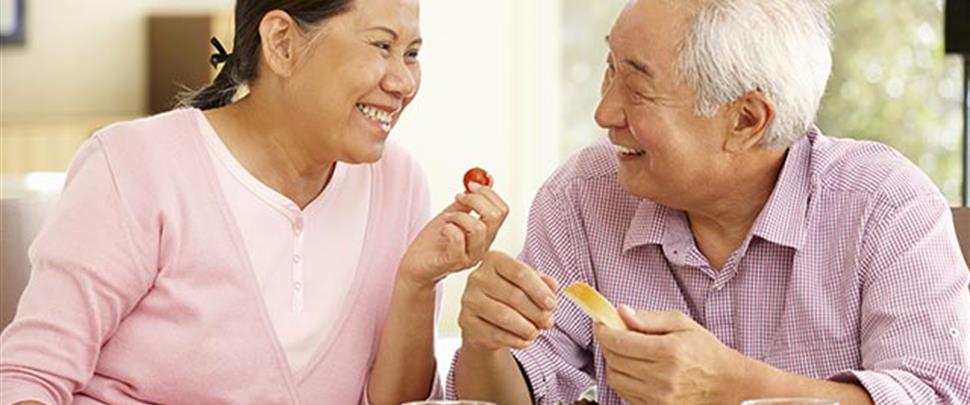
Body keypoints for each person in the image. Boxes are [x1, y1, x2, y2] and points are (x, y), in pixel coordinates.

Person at [449, 0, 970, 404]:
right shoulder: (584, 196)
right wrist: (486, 342)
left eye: (637, 87)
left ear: (746, 120)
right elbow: (511, 392)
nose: (604, 112)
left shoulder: (883, 207)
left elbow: (937, 395)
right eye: (610, 69)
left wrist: (737, 387)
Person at [0, 0, 510, 404]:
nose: (403, 81)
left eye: (413, 53)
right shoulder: (135, 165)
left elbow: (397, 402)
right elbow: (27, 378)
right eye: (382, 45)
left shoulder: (398, 182)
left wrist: (417, 283)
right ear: (282, 43)